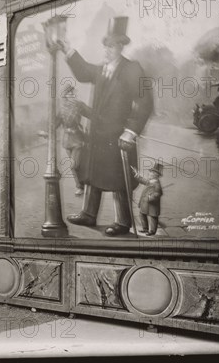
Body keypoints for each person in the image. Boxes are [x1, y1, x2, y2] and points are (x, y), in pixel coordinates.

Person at [57, 16, 154, 236]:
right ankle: (89, 214)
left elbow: (145, 102)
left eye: (112, 45)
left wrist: (131, 132)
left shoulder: (132, 69)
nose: (107, 49)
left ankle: (123, 221)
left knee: (119, 179)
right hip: (97, 136)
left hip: (119, 136)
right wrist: (68, 50)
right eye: (106, 45)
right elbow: (82, 72)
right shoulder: (102, 70)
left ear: (121, 46)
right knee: (93, 175)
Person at [132, 163, 164, 236]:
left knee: (153, 217)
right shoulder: (149, 181)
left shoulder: (157, 184)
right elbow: (143, 180)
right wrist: (137, 175)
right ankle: (145, 228)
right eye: (150, 172)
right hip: (145, 204)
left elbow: (158, 194)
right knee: (142, 214)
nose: (149, 173)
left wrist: (151, 197)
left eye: (151, 172)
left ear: (156, 175)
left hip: (152, 205)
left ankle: (152, 231)